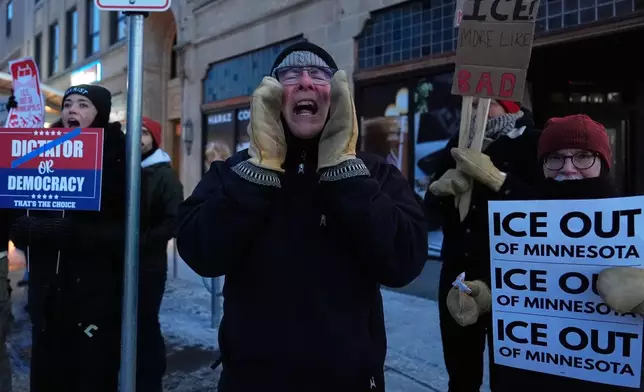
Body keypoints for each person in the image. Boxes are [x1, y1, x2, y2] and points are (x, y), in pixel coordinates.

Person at [176, 41, 428, 391]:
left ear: (336, 96)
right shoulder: (235, 171)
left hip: (348, 381)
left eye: (320, 75)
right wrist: (260, 171)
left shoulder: (372, 172)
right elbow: (200, 251)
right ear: (273, 97)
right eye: (290, 75)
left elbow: (405, 259)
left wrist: (345, 172)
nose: (306, 82)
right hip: (251, 380)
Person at [445, 114, 640, 391]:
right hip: (524, 378)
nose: (569, 169)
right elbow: (521, 286)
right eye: (555, 158)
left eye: (584, 157)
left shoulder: (635, 227)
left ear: (603, 162)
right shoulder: (518, 222)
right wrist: (485, 297)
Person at [9, 84, 127, 392]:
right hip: (47, 294)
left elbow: (125, 231)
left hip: (93, 296)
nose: (72, 109)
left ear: (100, 113)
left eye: (83, 104)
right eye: (68, 103)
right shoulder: (39, 153)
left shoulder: (118, 156)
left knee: (89, 375)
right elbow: (15, 211)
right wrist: (24, 230)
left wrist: (75, 234)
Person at [424, 99, 542, 392]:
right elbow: (429, 214)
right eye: (470, 103)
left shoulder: (533, 141)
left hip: (513, 277)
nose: (474, 110)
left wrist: (501, 181)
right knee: (462, 371)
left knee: (511, 373)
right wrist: (438, 192)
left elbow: (546, 210)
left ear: (506, 104)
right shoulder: (457, 143)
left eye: (484, 103)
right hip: (459, 272)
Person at [138, 116, 183, 391]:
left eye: (144, 133)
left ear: (154, 139)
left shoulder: (164, 175)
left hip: (149, 263)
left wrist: (141, 241)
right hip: (124, 262)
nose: (139, 139)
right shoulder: (129, 169)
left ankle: (150, 379)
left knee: (144, 321)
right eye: (136, 133)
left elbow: (173, 220)